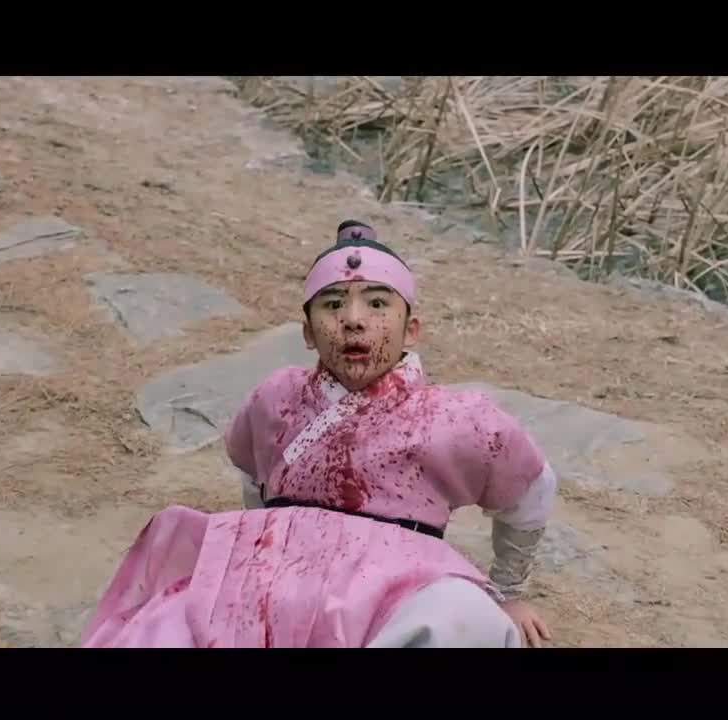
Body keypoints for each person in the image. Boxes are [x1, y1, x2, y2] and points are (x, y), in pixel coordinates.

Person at [81, 220, 559, 648]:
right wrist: (263, 537)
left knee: (465, 620)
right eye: (332, 305)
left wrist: (509, 592)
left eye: (378, 303)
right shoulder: (277, 397)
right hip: (277, 569)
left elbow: (532, 492)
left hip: (399, 583)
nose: (353, 319)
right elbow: (253, 474)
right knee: (168, 621)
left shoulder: (458, 418)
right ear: (309, 332)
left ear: (411, 330)